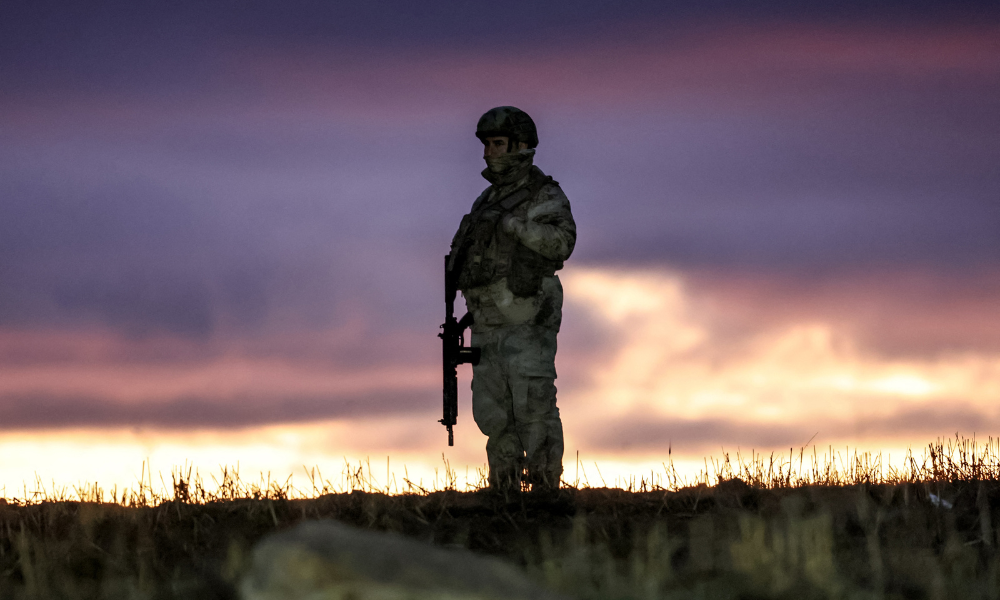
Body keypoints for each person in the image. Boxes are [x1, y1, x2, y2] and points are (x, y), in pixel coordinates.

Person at [447, 106, 576, 493]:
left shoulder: (542, 194)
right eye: (487, 145)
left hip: (527, 317)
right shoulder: (486, 200)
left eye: (498, 144)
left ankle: (545, 489)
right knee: (493, 411)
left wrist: (516, 227)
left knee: (532, 404)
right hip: (487, 320)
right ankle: (503, 490)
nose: (489, 152)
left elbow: (562, 242)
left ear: (521, 146)